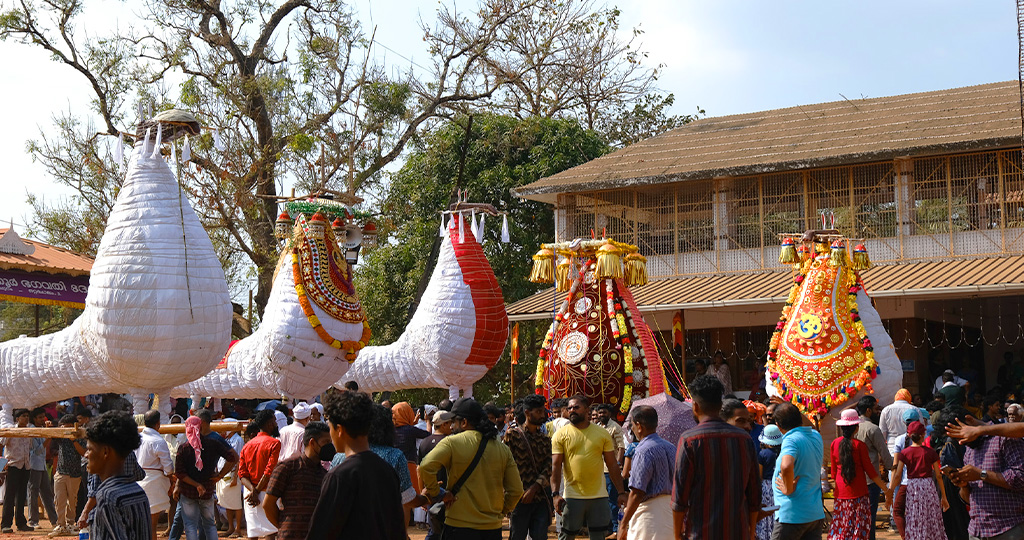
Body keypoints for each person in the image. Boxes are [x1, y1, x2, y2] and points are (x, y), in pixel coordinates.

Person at [420, 397, 524, 540]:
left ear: (464, 422)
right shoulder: (501, 448)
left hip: (458, 526)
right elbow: (517, 490)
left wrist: (440, 494)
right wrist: (500, 511)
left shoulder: (451, 442)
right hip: (492, 528)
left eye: (453, 422)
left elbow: (425, 466)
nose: (450, 427)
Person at [306, 391, 405, 539]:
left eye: (330, 428)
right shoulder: (387, 470)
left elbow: (320, 533)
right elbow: (397, 528)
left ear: (339, 430)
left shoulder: (339, 476)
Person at [672, 375, 760, 540]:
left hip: (701, 533)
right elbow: (754, 493)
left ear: (695, 406)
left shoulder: (689, 440)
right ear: (720, 406)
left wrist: (677, 535)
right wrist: (751, 531)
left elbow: (679, 497)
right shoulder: (744, 439)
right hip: (737, 531)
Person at [551, 395, 627, 540]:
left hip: (599, 497)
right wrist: (555, 495)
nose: (572, 410)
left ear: (587, 410)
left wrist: (621, 492)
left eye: (576, 407)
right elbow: (555, 466)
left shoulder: (602, 434)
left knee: (598, 536)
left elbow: (612, 465)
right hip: (572, 497)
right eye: (569, 408)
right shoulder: (560, 435)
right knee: (567, 536)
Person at [948, 416, 1024, 540]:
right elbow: (968, 499)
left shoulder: (1005, 438)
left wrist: (981, 474)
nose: (960, 442)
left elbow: (1020, 479)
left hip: (1007, 529)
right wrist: (964, 486)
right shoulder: (969, 449)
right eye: (956, 439)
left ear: (969, 421)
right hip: (977, 531)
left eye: (962, 435)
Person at [84, 411, 151, 540]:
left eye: (90, 449)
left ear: (105, 452)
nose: (86, 455)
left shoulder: (106, 496)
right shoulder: (137, 491)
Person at [262, 422, 332, 540]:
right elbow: (268, 504)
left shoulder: (325, 474)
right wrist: (284, 526)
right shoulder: (287, 468)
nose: (330, 447)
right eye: (326, 442)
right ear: (312, 443)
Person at [174, 415, 238, 540]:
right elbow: (233, 458)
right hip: (208, 490)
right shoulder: (213, 443)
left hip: (188, 492)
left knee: (190, 525)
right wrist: (220, 475)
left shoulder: (183, 448)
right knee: (209, 524)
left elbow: (180, 473)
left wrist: (196, 485)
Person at [828, 409, 889, 540]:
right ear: (856, 428)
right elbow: (871, 472)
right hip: (859, 494)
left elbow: (833, 472)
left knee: (842, 527)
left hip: (841, 494)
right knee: (858, 528)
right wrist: (886, 489)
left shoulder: (835, 443)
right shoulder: (859, 445)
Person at [617, 405, 675, 540]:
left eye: (631, 425)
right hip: (671, 513)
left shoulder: (643, 451)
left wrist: (623, 525)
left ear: (639, 426)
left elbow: (637, 492)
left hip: (649, 516)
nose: (632, 429)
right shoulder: (671, 447)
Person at [772, 402, 825, 540]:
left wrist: (788, 489)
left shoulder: (791, 439)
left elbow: (786, 465)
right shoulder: (815, 436)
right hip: (814, 514)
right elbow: (811, 427)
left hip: (792, 516)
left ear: (778, 425)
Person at [887, 421, 948, 540]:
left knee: (915, 515)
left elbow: (898, 475)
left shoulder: (904, 453)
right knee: (930, 515)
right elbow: (938, 475)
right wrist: (944, 497)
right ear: (923, 435)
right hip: (928, 485)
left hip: (912, 486)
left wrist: (890, 490)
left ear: (909, 435)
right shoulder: (930, 452)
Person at [503, 395, 552, 540]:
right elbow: (505, 466)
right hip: (519, 499)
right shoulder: (512, 436)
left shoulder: (545, 439)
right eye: (538, 411)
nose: (542, 415)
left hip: (540, 497)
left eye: (543, 411)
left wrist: (535, 488)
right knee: (517, 536)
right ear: (527, 413)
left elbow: (549, 466)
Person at [851, 395, 892, 540]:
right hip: (870, 480)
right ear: (869, 411)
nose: (878, 411)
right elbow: (884, 453)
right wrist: (892, 466)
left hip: (852, 480)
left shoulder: (849, 428)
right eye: (875, 409)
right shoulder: (873, 429)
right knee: (869, 519)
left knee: (855, 519)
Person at [237, 409, 281, 540]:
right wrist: (256, 491)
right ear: (268, 424)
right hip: (267, 492)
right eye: (274, 421)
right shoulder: (274, 443)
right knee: (271, 530)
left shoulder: (247, 445)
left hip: (249, 493)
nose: (275, 424)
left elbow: (242, 474)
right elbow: (269, 470)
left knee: (253, 531)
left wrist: (252, 491)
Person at [929, 408, 969, 540]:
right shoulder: (951, 443)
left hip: (944, 483)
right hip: (952, 483)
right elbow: (953, 467)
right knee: (956, 518)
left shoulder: (943, 441)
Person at [136, 410, 173, 540]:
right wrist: (171, 478)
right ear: (158, 424)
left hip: (137, 482)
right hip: (153, 483)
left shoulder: (136, 439)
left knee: (140, 523)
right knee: (151, 525)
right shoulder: (158, 440)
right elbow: (168, 468)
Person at [49, 414, 86, 537]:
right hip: (60, 472)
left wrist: (73, 440)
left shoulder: (79, 436)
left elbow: (83, 452)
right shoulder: (61, 435)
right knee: (59, 500)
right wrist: (48, 427)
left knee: (72, 500)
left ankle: (70, 524)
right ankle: (60, 525)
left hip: (74, 473)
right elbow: (51, 434)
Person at [419, 410, 453, 540]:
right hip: (447, 492)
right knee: (447, 529)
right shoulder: (450, 442)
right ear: (443, 424)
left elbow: (419, 470)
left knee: (434, 528)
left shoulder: (424, 442)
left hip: (430, 491)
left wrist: (422, 492)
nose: (451, 426)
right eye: (449, 423)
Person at [1, 408, 35, 533]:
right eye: (23, 416)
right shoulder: (10, 430)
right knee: (9, 496)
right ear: (17, 418)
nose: (26, 418)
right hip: (13, 465)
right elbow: (1, 444)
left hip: (25, 465)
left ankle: (21, 523)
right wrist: (1, 465)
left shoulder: (28, 431)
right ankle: (5, 524)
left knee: (21, 496)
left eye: (27, 416)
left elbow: (29, 448)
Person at [595, 403, 626, 534]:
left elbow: (621, 447)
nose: (602, 415)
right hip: (598, 470)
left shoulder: (615, 428)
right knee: (601, 500)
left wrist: (618, 464)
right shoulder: (596, 427)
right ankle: (606, 527)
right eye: (600, 413)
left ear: (610, 414)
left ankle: (615, 529)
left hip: (610, 470)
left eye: (604, 413)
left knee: (613, 500)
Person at [28, 408, 58, 530]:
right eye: (39, 417)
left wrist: (47, 432)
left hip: (41, 464)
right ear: (34, 418)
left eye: (43, 417)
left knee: (47, 493)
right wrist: (48, 436)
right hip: (33, 465)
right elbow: (38, 450)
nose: (42, 419)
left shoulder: (41, 429)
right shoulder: (31, 430)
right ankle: (33, 521)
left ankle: (54, 520)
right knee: (33, 493)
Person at [393, 402, 430, 497]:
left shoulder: (389, 430)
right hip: (409, 467)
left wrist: (413, 423)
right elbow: (428, 435)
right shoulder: (410, 430)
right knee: (413, 499)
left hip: (392, 468)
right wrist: (428, 422)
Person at [216, 425, 246, 538]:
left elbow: (238, 459)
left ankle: (237, 528)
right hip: (224, 475)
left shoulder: (238, 440)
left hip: (233, 475)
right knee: (227, 502)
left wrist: (235, 477)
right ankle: (230, 527)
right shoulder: (227, 439)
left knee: (236, 504)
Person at [756, 425, 782, 540]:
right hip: (780, 484)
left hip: (767, 486)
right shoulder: (784, 452)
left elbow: (759, 475)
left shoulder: (763, 454)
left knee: (767, 514)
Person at [881, 389, 919, 455]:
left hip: (892, 447)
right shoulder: (914, 409)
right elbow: (921, 428)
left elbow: (882, 432)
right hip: (912, 446)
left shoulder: (886, 410)